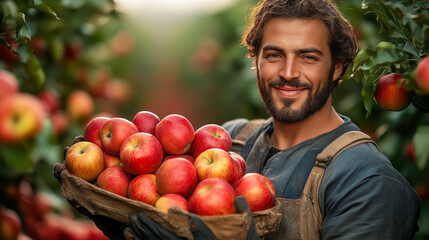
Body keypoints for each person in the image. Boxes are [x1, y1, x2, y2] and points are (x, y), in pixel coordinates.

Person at [56, 0, 421, 239]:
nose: (289, 72)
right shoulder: (231, 140)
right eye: (274, 55)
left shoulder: (366, 183)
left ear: (338, 67)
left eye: (308, 57)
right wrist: (118, 216)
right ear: (256, 61)